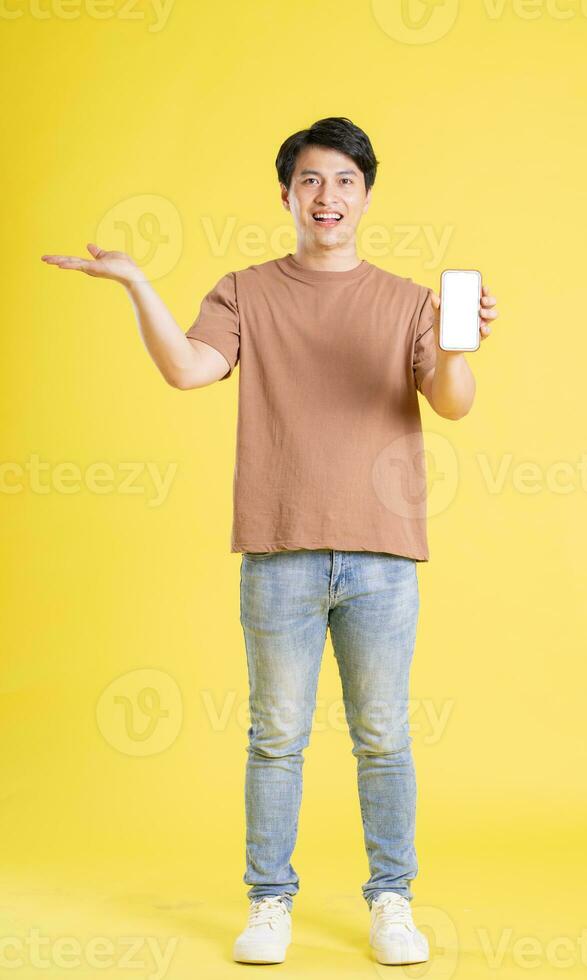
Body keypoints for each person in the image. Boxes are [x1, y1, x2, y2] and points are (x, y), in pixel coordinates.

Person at [41, 115, 499, 966]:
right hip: (279, 549)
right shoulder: (245, 290)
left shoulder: (411, 301)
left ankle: (393, 900)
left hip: (382, 556)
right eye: (312, 181)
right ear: (287, 194)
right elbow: (187, 369)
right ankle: (269, 903)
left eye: (345, 182)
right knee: (276, 735)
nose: (328, 197)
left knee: (384, 736)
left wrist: (461, 343)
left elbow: (453, 402)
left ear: (367, 196)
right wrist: (137, 282)